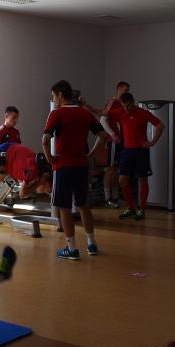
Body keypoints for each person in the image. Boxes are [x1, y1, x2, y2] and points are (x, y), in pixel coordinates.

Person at [42, 80, 110, 260]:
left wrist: (49, 158)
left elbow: (45, 139)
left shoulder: (56, 114)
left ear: (60, 94)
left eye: (53, 96)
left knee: (64, 208)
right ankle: (91, 244)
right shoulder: (84, 113)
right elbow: (104, 136)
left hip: (63, 167)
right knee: (83, 205)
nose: (53, 100)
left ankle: (72, 249)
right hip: (81, 166)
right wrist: (91, 155)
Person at [110, 93, 165, 220]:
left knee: (142, 180)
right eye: (124, 106)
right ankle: (131, 208)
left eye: (128, 106)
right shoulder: (120, 112)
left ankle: (142, 209)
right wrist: (86, 105)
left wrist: (152, 142)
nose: (126, 108)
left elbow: (161, 126)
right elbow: (102, 112)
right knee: (122, 181)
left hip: (141, 151)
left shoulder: (143, 113)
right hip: (126, 151)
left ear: (133, 102)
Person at [0, 142, 53, 209]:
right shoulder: (32, 172)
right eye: (48, 191)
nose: (46, 192)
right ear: (45, 180)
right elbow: (22, 194)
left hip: (12, 159)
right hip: (4, 152)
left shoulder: (41, 171)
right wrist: (38, 183)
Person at [87, 81, 129, 208]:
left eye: (128, 90)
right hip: (113, 142)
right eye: (125, 90)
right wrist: (113, 135)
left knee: (115, 170)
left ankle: (115, 197)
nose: (126, 92)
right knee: (110, 170)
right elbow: (103, 121)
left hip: (120, 142)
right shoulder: (113, 102)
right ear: (118, 89)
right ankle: (107, 199)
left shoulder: (121, 105)